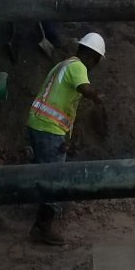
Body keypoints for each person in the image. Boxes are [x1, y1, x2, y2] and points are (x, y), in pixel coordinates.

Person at [25, 31, 106, 247]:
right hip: (48, 128)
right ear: (93, 58)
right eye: (96, 61)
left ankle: (38, 205)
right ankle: (42, 227)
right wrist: (97, 97)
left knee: (46, 170)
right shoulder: (78, 67)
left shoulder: (62, 65)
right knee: (56, 179)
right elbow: (85, 89)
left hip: (39, 125)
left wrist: (66, 136)